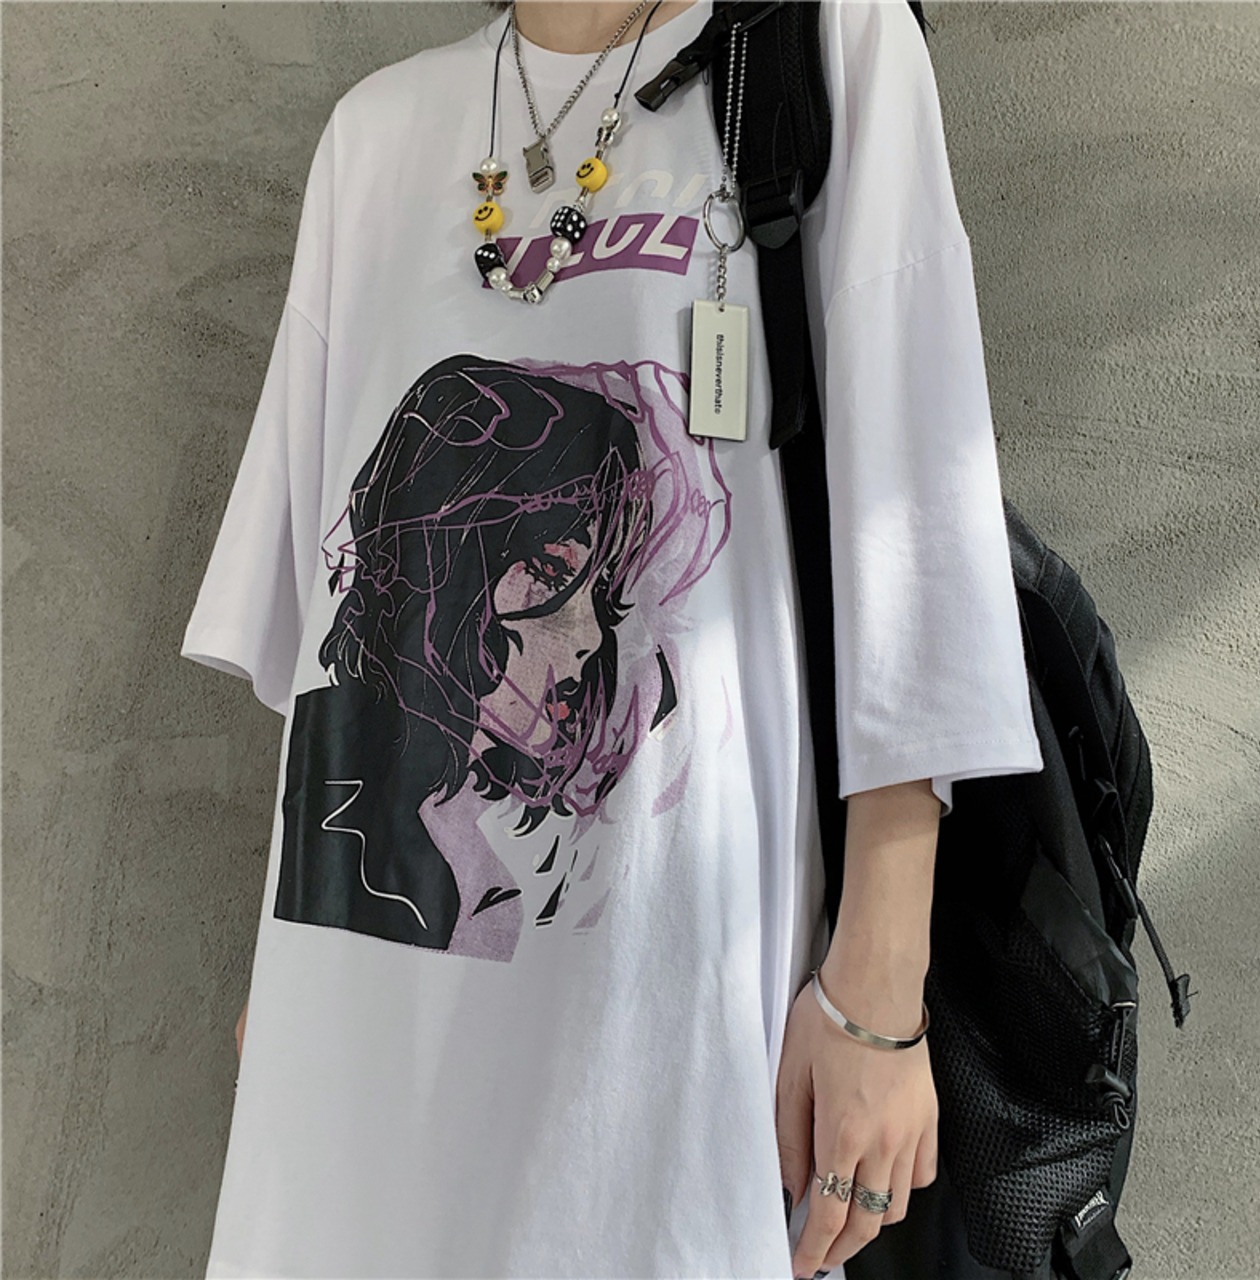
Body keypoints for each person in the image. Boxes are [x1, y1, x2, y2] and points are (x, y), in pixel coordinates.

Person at [183, 2, 1044, 1277]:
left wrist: (876, 996)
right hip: (362, 1029)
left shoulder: (822, 45)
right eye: (542, 577)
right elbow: (333, 628)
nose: (583, 640)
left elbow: (916, 538)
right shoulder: (375, 138)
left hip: (666, 1029)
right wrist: (292, 988)